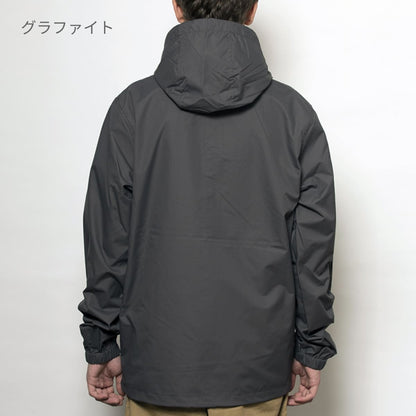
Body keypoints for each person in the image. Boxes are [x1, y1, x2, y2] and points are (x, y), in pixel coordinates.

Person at [77, 1, 337, 415]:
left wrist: (101, 340)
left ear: (176, 7)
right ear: (252, 9)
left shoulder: (132, 109)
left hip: (160, 366)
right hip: (257, 367)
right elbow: (312, 248)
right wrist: (311, 346)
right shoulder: (293, 115)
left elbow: (108, 238)